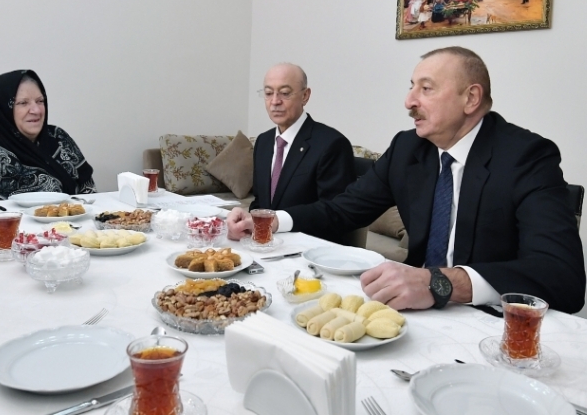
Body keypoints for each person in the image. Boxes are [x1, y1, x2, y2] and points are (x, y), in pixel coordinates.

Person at [228, 46, 585, 313]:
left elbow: (562, 278)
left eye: (426, 89)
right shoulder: (407, 148)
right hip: (415, 314)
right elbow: (343, 210)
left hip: (489, 321)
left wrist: (442, 282)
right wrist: (273, 219)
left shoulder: (526, 157)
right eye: (411, 87)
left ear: (471, 98)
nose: (408, 101)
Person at [226, 63, 356, 245]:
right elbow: (261, 203)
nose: (275, 101)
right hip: (266, 246)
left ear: (305, 96)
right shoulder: (263, 142)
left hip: (308, 249)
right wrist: (247, 219)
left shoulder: (331, 144)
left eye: (285, 93)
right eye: (269, 93)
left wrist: (275, 222)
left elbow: (335, 212)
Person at [0, 69, 96, 201]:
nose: (36, 110)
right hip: (2, 233)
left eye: (40, 101)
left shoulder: (58, 137)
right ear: (1, 108)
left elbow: (88, 190)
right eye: (23, 103)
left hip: (67, 230)